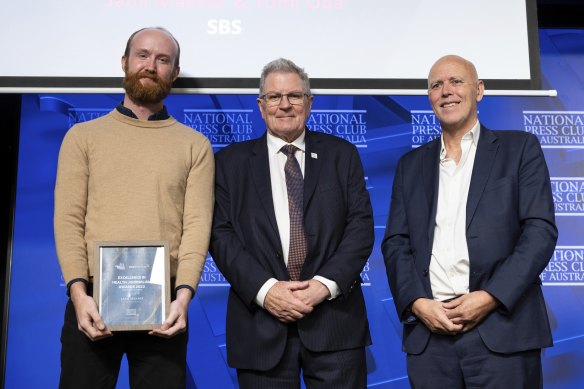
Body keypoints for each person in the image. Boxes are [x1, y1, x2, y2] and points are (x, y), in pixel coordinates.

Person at [381, 54, 558, 388]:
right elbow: (395, 243)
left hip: (502, 330)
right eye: (436, 85)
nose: (446, 91)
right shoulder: (410, 165)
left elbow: (540, 231)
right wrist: (418, 304)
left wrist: (490, 296)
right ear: (429, 97)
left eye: (456, 81)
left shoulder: (519, 148)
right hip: (430, 337)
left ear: (479, 90)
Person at [54, 27, 214, 388]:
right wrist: (79, 296)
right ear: (125, 62)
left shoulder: (195, 145)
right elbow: (68, 221)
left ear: (173, 73)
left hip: (165, 306)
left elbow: (197, 228)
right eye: (142, 55)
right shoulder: (82, 137)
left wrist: (183, 297)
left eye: (162, 60)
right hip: (92, 302)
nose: (150, 66)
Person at [209, 58, 374, 388]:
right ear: (260, 105)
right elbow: (220, 235)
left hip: (335, 324)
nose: (285, 105)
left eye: (295, 96)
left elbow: (360, 227)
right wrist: (267, 291)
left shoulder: (342, 155)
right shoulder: (229, 163)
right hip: (259, 326)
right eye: (274, 96)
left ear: (309, 102)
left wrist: (322, 287)